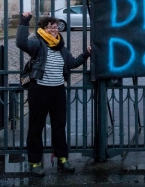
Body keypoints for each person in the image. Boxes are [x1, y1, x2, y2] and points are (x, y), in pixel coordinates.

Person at [16, 12, 91, 176]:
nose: (54, 30)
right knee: (36, 127)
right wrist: (24, 21)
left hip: (58, 91)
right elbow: (21, 43)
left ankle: (62, 159)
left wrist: (86, 54)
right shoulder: (37, 44)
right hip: (39, 90)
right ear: (43, 29)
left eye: (56, 27)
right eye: (50, 27)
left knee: (59, 126)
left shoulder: (61, 48)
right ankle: (34, 162)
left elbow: (71, 63)